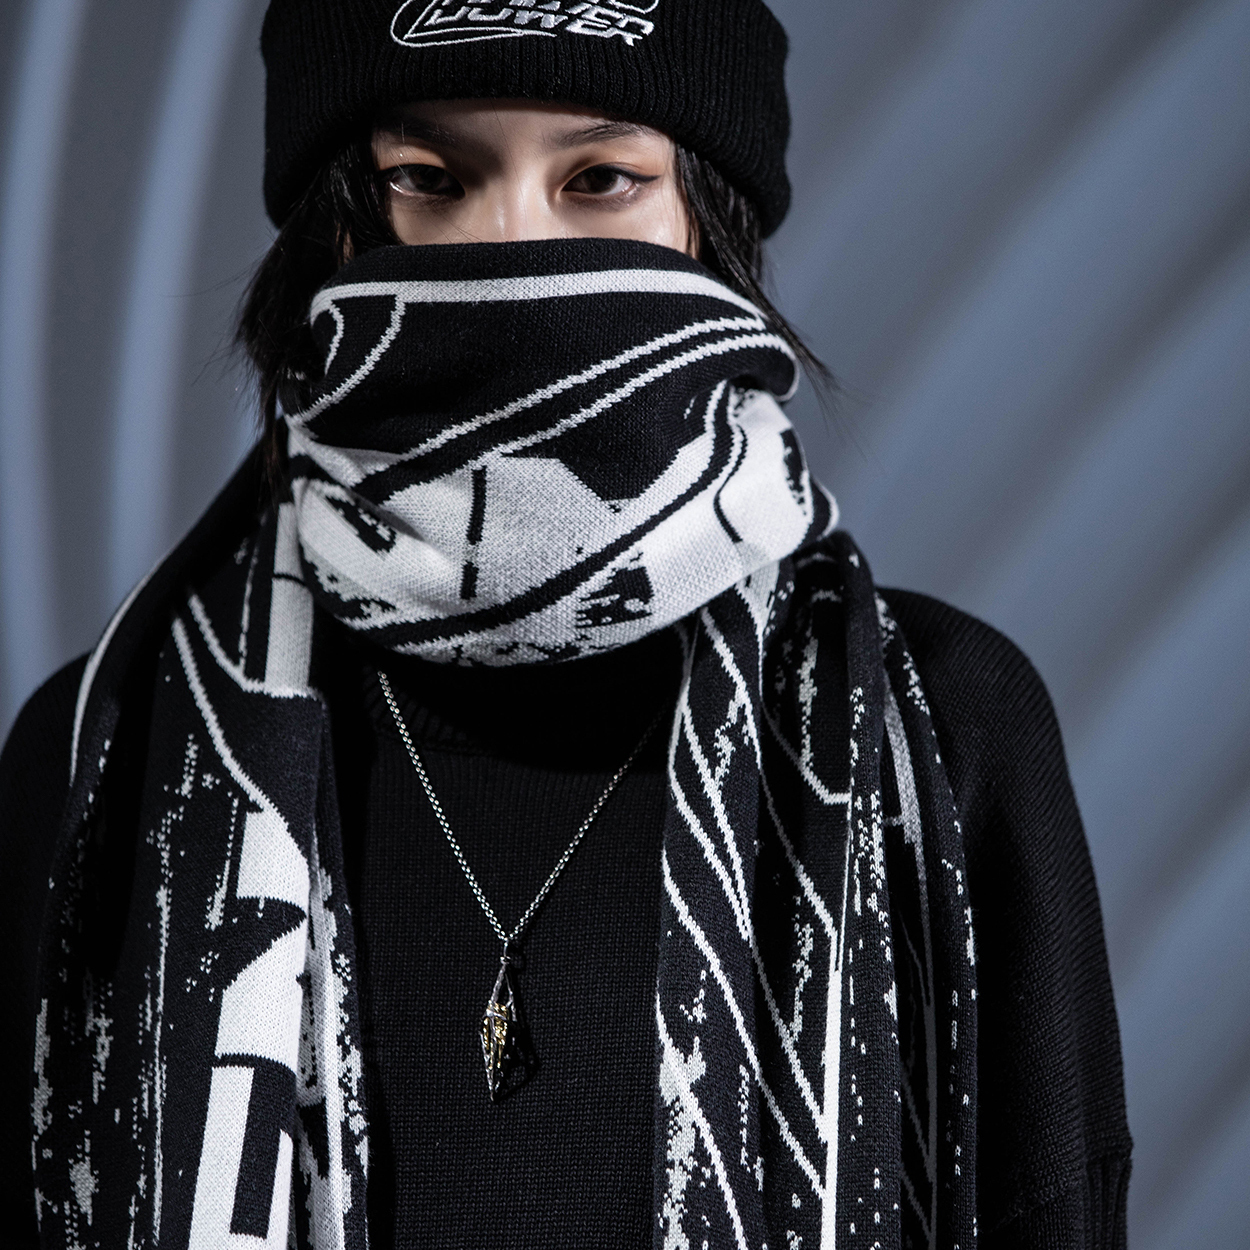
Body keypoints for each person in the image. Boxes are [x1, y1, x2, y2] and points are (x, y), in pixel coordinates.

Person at [0, 1, 1132, 1247]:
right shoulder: (109, 757)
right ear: (336, 226)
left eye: (600, 179)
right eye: (428, 179)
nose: (511, 245)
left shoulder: (938, 732)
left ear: (708, 219)